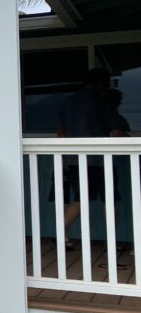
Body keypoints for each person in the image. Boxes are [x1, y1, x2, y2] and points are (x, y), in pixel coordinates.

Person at [55, 69, 126, 243]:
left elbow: (61, 133)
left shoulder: (69, 102)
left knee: (80, 199)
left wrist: (64, 157)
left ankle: (61, 234)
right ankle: (111, 240)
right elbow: (117, 131)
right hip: (99, 160)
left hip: (74, 159)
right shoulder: (101, 102)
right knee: (109, 199)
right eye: (107, 82)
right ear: (101, 83)